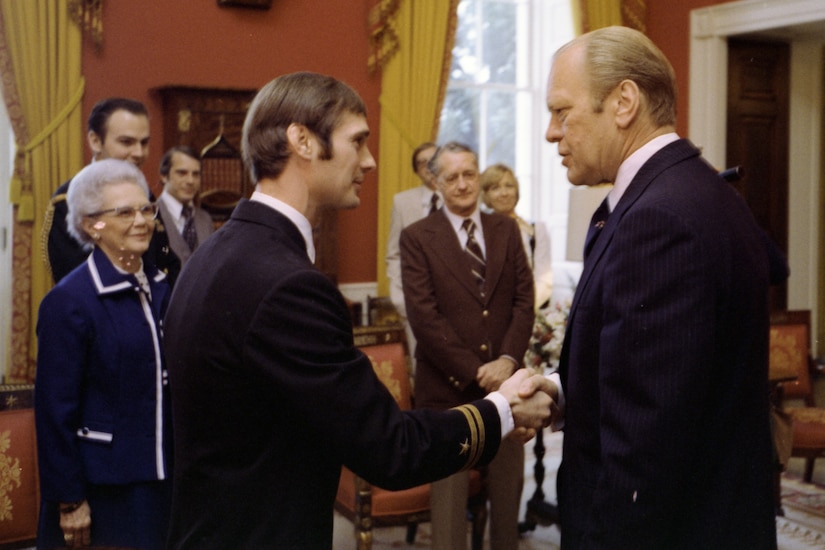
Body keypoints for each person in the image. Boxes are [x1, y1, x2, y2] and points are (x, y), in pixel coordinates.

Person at [162, 71, 551, 549]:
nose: (369, 161)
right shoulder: (289, 284)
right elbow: (390, 448)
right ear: (302, 140)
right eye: (358, 141)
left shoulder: (214, 254)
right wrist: (504, 410)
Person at [531, 25, 777, 548]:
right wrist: (559, 387)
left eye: (561, 111)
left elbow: (643, 447)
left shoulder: (657, 219)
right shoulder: (698, 188)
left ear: (623, 102)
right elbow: (665, 373)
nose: (551, 133)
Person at [400, 142, 536, 549]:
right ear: (436, 182)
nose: (463, 184)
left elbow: (523, 302)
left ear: (479, 176)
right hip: (447, 397)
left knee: (507, 510)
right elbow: (424, 320)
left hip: (509, 392)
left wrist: (507, 362)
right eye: (452, 177)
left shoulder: (506, 229)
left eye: (469, 174)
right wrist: (480, 371)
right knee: (448, 519)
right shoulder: (417, 238)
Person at [35, 159, 173, 549]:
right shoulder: (69, 302)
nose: (142, 220)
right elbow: (53, 412)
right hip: (102, 494)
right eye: (125, 212)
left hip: (162, 485)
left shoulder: (163, 288)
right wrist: (70, 500)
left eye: (146, 208)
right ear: (91, 225)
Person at [43, 97, 180, 285]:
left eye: (144, 143)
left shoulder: (144, 194)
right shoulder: (68, 200)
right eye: (127, 142)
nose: (139, 152)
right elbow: (76, 277)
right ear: (95, 141)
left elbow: (166, 262)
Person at [385, 141, 440, 357]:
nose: (429, 166)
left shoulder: (461, 199)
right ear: (416, 170)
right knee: (423, 369)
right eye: (422, 163)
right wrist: (399, 298)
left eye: (434, 160)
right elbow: (393, 253)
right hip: (416, 304)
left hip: (456, 305)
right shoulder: (402, 202)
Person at [480, 163, 553, 310]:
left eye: (509, 186)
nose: (504, 193)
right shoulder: (479, 231)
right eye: (495, 188)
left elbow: (544, 280)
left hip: (529, 313)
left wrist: (523, 312)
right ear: (486, 195)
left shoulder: (535, 229)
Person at [157, 146, 214, 265]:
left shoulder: (205, 220)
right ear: (164, 176)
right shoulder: (149, 215)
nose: (190, 181)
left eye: (196, 174)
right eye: (182, 173)